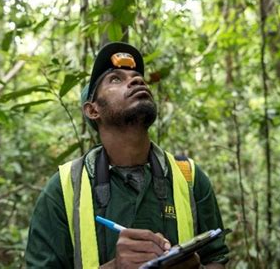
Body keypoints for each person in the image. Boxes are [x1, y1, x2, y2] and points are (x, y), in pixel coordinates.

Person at [26, 42, 229, 268]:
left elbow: (216, 258)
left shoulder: (188, 176)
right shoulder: (63, 189)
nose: (137, 80)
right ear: (93, 110)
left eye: (137, 76)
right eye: (116, 79)